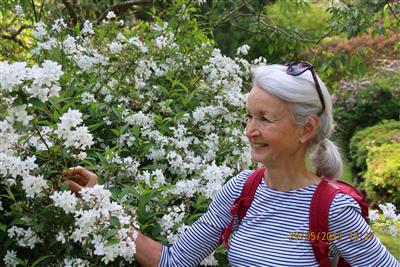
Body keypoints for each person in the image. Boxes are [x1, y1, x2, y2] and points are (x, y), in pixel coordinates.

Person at [65, 63, 400, 267]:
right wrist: (101, 204)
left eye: (265, 118)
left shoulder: (333, 211)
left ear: (307, 128)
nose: (249, 130)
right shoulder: (243, 189)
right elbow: (172, 261)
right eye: (249, 116)